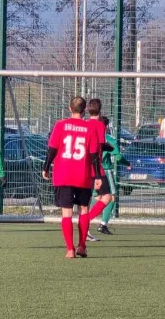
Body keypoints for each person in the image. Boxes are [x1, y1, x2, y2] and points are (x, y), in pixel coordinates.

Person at [42, 97, 102, 258]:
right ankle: (82, 246)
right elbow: (94, 154)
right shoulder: (90, 128)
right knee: (83, 210)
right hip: (83, 175)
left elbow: (52, 149)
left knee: (66, 213)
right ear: (84, 111)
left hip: (63, 175)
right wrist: (97, 175)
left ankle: (70, 249)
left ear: (70, 108)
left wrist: (45, 167)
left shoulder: (60, 125)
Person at [88, 116, 131, 238]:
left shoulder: (91, 137)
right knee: (111, 198)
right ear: (106, 126)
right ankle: (102, 224)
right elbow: (118, 157)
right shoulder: (109, 140)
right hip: (104, 172)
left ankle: (86, 225)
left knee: (97, 198)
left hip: (91, 172)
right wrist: (127, 164)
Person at [85, 99, 114, 241]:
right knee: (107, 197)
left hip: (84, 166)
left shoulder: (84, 124)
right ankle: (85, 224)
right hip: (96, 167)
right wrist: (109, 147)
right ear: (100, 110)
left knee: (89, 200)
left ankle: (85, 230)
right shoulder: (100, 125)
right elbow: (100, 145)